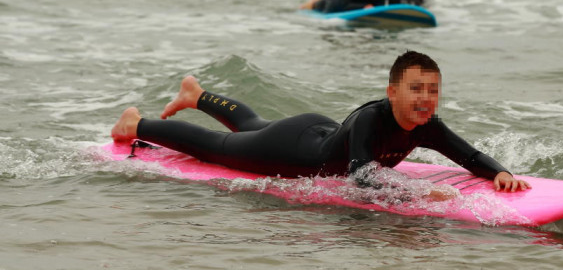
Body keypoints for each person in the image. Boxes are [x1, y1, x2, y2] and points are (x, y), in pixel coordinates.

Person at [111, 51, 531, 195]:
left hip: (315, 130)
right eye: (416, 89)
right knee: (216, 148)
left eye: (433, 90)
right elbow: (360, 177)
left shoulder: (427, 124)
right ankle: (137, 124)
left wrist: (500, 172)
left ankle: (195, 95)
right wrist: (417, 195)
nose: (426, 99)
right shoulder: (372, 119)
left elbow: (467, 154)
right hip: (293, 152)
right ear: (392, 92)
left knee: (254, 121)